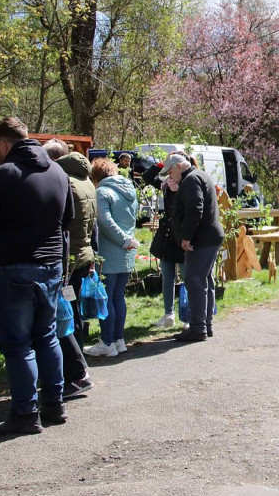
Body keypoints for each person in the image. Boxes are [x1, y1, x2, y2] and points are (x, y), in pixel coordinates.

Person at [0, 117, 74, 434]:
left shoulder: (1, 175)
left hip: (11, 268)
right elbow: (66, 220)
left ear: (2, 144)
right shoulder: (58, 173)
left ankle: (25, 414)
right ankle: (54, 403)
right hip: (51, 266)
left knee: (17, 344)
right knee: (47, 335)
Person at [42, 140, 95, 397]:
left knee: (65, 316)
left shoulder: (64, 182)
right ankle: (78, 363)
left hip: (68, 259)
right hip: (82, 255)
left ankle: (75, 371)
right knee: (72, 312)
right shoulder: (86, 180)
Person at [166, 154, 225, 342]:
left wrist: (186, 237)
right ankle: (206, 325)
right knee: (204, 280)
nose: (169, 176)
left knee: (194, 280)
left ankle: (198, 328)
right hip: (210, 236)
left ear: (178, 166)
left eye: (170, 171)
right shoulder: (200, 175)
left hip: (202, 239)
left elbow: (195, 209)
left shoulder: (191, 180)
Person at [84, 158, 139, 358]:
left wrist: (123, 240)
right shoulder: (130, 191)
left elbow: (105, 222)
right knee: (118, 297)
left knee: (107, 298)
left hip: (109, 253)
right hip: (127, 253)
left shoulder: (102, 192)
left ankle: (107, 342)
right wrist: (128, 241)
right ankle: (118, 340)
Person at [143, 152, 187, 329]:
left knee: (187, 278)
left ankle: (188, 315)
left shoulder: (187, 183)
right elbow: (147, 176)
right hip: (168, 236)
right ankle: (168, 314)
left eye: (171, 170)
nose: (169, 175)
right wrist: (164, 162)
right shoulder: (166, 185)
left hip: (182, 236)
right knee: (167, 277)